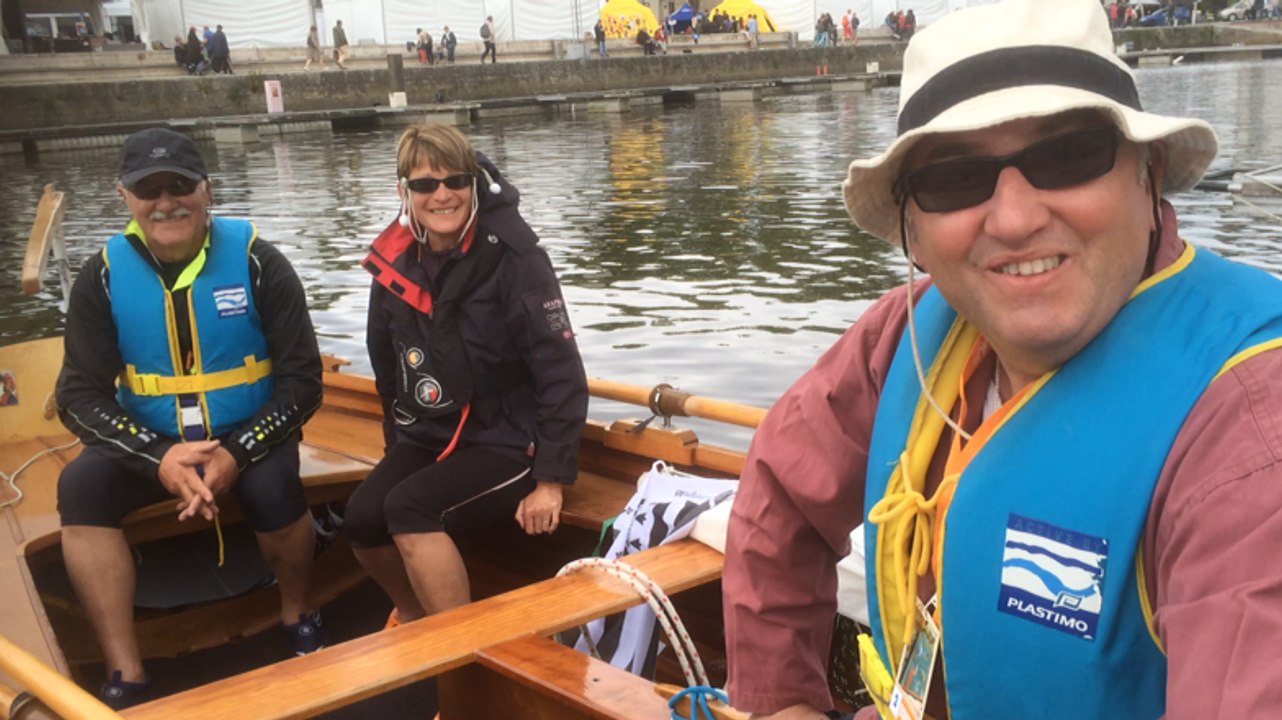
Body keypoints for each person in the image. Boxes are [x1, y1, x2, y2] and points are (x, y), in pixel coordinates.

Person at [722, 0, 1282, 718]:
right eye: (954, 178)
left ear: (1149, 175)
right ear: (913, 235)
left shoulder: (1248, 428)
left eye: (1067, 156)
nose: (1015, 219)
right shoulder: (910, 335)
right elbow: (779, 494)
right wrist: (780, 703)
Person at [55, 128, 325, 710]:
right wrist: (159, 458)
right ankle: (125, 669)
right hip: (149, 441)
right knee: (79, 489)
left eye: (180, 185)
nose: (166, 200)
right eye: (147, 189)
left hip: (247, 431)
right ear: (124, 197)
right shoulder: (100, 278)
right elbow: (78, 395)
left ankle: (297, 611)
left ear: (207, 190)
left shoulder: (259, 261)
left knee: (275, 485)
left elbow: (303, 381)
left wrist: (237, 452)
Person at [347, 124, 588, 633]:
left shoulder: (517, 258)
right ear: (404, 193)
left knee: (410, 509)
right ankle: (413, 616)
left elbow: (559, 368)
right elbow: (386, 364)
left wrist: (551, 479)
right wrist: (398, 446)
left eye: (455, 180)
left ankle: (463, 657)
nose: (441, 194)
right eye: (424, 185)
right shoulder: (393, 262)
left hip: (507, 439)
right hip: (431, 432)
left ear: (474, 184)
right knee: (364, 516)